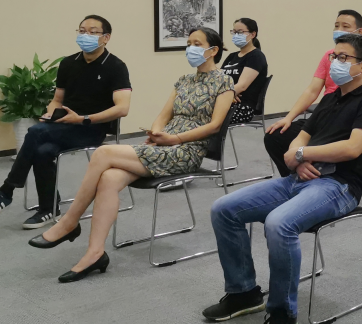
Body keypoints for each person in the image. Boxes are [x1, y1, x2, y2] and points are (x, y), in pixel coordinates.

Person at [203, 34, 362, 324]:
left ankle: (283, 314)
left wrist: (302, 154)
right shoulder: (331, 99)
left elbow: (352, 148)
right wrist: (298, 157)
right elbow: (301, 136)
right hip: (301, 178)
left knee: (279, 223)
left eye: (343, 58)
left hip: (339, 186)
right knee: (223, 208)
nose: (335, 62)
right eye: (334, 56)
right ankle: (243, 293)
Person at [29, 28, 234, 282]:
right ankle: (95, 253)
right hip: (164, 146)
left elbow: (215, 125)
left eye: (197, 44)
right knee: (109, 178)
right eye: (189, 43)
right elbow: (163, 116)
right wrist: (157, 133)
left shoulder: (224, 82)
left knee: (103, 153)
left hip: (186, 151)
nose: (190, 48)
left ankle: (69, 221)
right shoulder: (183, 80)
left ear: (213, 50)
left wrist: (175, 139)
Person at [0, 15, 132, 228]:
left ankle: (6, 190)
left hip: (91, 128)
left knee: (36, 132)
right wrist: (50, 114)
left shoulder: (116, 66)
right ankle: (49, 209)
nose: (86, 35)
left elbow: (122, 108)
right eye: (82, 31)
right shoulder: (68, 63)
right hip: (63, 124)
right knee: (42, 150)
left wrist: (83, 118)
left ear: (106, 38)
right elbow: (57, 99)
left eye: (93, 32)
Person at [264, 10, 362, 177]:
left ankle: (315, 176)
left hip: (348, 119)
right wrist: (288, 118)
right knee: (276, 136)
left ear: (360, 32)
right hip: (326, 112)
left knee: (320, 142)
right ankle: (298, 174)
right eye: (336, 26)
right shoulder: (329, 57)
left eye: (345, 26)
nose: (339, 30)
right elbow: (312, 90)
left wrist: (301, 152)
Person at [221, 18, 268, 124]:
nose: (236, 35)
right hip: (226, 102)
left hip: (242, 107)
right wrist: (230, 94)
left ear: (252, 34)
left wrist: (227, 94)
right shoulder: (231, 56)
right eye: (234, 32)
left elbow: (242, 86)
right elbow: (218, 80)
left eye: (240, 32)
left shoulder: (256, 56)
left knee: (204, 117)